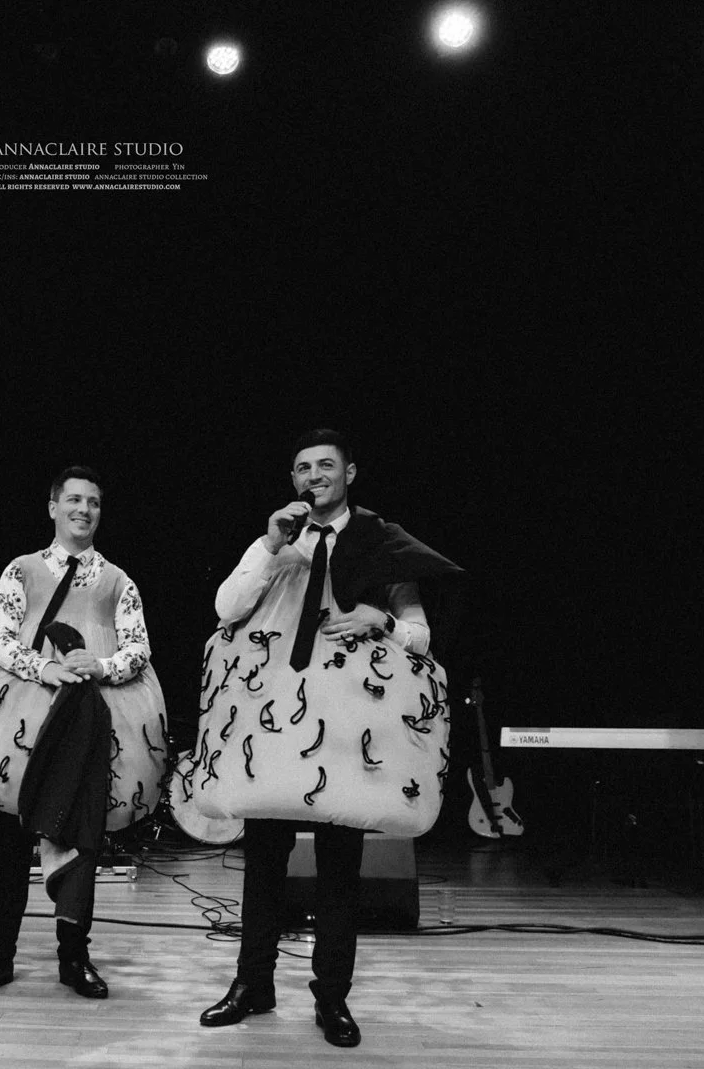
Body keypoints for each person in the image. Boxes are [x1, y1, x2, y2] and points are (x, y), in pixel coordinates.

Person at [192, 429, 461, 1048]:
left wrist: (381, 619)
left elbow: (419, 636)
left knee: (340, 870)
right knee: (263, 863)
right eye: (302, 468)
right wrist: (267, 545)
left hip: (344, 730)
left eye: (325, 466)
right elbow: (226, 607)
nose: (313, 476)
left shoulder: (380, 542)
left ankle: (331, 997)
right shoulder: (278, 542)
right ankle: (252, 985)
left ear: (350, 473)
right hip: (275, 722)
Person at [0, 466, 167, 1000]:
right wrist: (42, 668)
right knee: (13, 836)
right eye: (73, 500)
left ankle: (74, 958)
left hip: (90, 713)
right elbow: (0, 637)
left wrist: (101, 666)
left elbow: (138, 648)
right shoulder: (21, 570)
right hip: (25, 711)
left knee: (82, 834)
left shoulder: (117, 581)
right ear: (52, 507)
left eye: (92, 501)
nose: (83, 510)